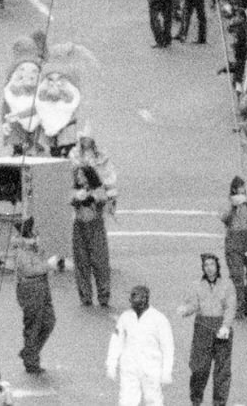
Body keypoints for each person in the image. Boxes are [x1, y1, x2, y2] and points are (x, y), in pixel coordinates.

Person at [177, 254, 234, 406]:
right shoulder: (197, 285)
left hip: (221, 327)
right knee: (199, 368)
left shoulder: (227, 285)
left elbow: (230, 307)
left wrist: (226, 326)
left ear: (217, 266)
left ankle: (219, 402)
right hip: (203, 327)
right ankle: (196, 399)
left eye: (212, 264)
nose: (209, 268)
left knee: (222, 370)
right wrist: (185, 310)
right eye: (206, 265)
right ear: (203, 268)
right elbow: (194, 305)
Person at [107, 285, 174, 406]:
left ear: (144, 299)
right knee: (127, 400)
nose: (132, 303)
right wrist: (111, 364)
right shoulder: (125, 317)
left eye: (136, 299)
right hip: (129, 365)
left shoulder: (159, 319)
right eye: (132, 299)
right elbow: (116, 342)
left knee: (153, 400)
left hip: (151, 366)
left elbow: (168, 347)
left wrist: (166, 371)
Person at [7, 216, 57, 377]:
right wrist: (48, 266)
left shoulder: (33, 248)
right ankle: (31, 359)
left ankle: (30, 351)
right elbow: (29, 270)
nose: (36, 236)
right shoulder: (21, 251)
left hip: (42, 286)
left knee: (48, 321)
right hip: (30, 289)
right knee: (34, 325)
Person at [219, 176, 247, 319]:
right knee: (237, 276)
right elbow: (223, 217)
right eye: (240, 190)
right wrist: (234, 206)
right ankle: (238, 307)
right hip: (234, 241)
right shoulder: (229, 203)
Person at [71, 163, 112, 309]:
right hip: (79, 227)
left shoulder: (98, 190)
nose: (79, 177)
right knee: (81, 262)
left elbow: (101, 198)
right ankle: (85, 296)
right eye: (78, 175)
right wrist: (79, 197)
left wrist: (90, 197)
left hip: (95, 227)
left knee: (100, 262)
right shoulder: (75, 191)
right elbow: (72, 199)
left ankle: (104, 295)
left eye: (82, 175)